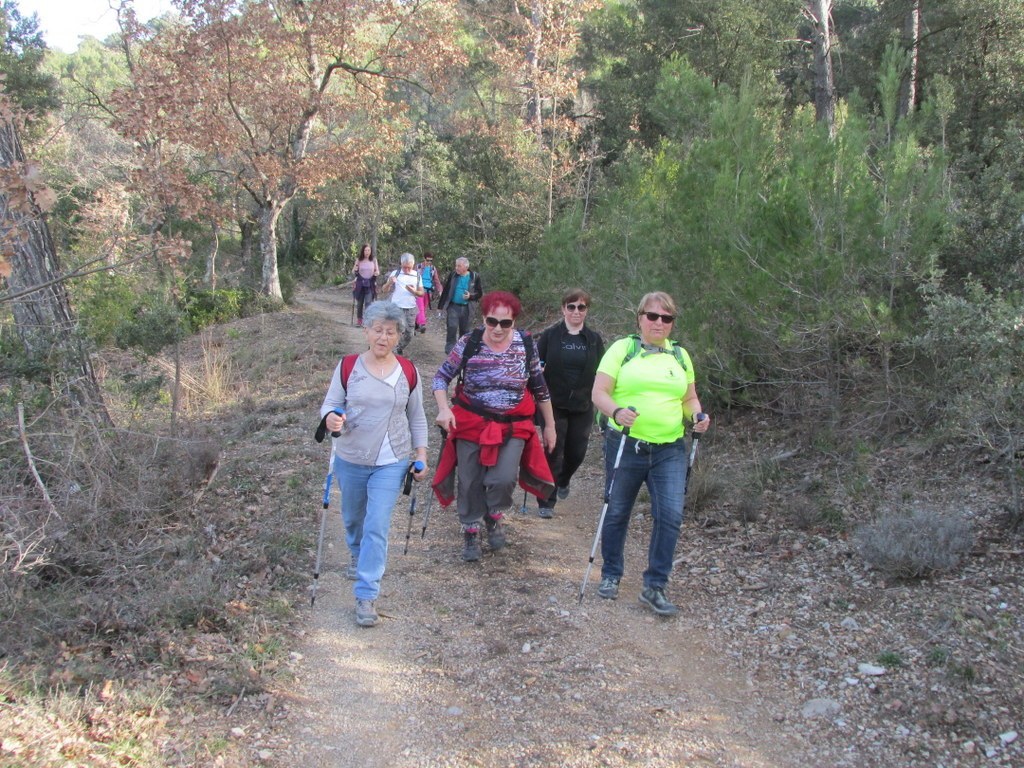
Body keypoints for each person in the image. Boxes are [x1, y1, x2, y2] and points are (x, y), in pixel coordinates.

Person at [590, 291, 711, 617]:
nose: (658, 323)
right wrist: (616, 412)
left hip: (670, 448)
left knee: (670, 515)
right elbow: (599, 392)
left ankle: (654, 586)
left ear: (672, 322)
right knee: (616, 511)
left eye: (666, 318)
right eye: (652, 316)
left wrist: (697, 417)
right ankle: (611, 574)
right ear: (640, 318)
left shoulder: (680, 357)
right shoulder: (622, 349)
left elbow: (689, 399)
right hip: (626, 443)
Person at [316, 301, 429, 628]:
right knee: (354, 519)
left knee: (377, 524)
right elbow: (331, 404)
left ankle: (366, 595)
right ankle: (355, 550)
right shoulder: (348, 366)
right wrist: (331, 419)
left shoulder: (408, 372)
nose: (383, 336)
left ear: (399, 336)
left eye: (390, 332)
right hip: (351, 455)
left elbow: (417, 416)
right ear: (366, 331)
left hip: (391, 459)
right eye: (377, 330)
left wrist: (421, 455)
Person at [431, 291, 557, 561]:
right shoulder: (470, 342)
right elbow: (441, 378)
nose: (498, 328)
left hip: (513, 424)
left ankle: (494, 513)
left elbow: (539, 386)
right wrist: (443, 409)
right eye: (492, 321)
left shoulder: (525, 344)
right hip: (471, 421)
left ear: (514, 321)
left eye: (505, 323)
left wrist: (550, 426)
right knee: (470, 480)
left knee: (503, 478)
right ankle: (471, 529)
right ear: (484, 318)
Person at [535, 289, 605, 518]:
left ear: (587, 310)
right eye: (571, 306)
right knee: (553, 450)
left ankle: (563, 479)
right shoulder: (550, 336)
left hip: (583, 405)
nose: (576, 311)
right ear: (563, 309)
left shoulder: (594, 340)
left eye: (581, 307)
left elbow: (603, 373)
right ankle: (546, 500)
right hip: (553, 403)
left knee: (577, 452)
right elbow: (535, 365)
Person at [437, 256, 483, 354]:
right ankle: (450, 350)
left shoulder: (474, 276)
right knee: (452, 327)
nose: (456, 268)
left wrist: (470, 296)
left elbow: (479, 293)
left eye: (459, 266)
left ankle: (461, 350)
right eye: (456, 265)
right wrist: (440, 307)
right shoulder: (453, 275)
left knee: (465, 330)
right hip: (453, 306)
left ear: (466, 267)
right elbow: (446, 290)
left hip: (467, 308)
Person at [383, 253, 424, 355]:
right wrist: (389, 283)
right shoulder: (395, 273)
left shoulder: (417, 275)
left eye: (409, 267)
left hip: (410, 308)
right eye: (404, 267)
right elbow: (384, 290)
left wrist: (414, 291)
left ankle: (399, 347)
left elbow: (421, 293)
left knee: (409, 333)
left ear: (413, 265)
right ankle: (391, 350)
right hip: (396, 307)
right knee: (394, 330)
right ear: (401, 264)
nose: (406, 270)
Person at [351, 243, 379, 327]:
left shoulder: (373, 260)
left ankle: (367, 321)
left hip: (370, 283)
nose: (367, 252)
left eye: (368, 250)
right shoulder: (358, 260)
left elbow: (377, 271)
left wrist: (376, 273)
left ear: (371, 251)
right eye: (365, 250)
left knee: (368, 302)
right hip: (360, 283)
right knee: (360, 303)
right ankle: (359, 320)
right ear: (363, 251)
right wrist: (355, 269)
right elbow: (353, 271)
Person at [415, 252, 441, 334]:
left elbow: (436, 280)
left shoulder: (433, 269)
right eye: (427, 260)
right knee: (420, 308)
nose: (429, 262)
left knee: (423, 308)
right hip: (419, 290)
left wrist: (440, 289)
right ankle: (422, 324)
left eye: (431, 261)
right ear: (424, 258)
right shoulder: (418, 267)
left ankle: (416, 324)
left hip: (428, 291)